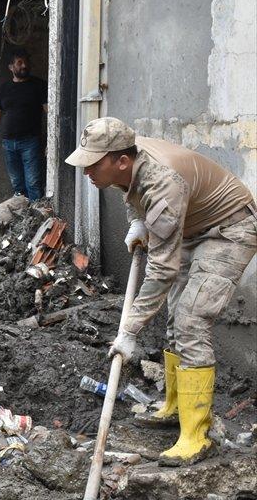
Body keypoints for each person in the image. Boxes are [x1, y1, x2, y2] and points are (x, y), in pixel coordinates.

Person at [66, 117, 257, 465]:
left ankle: (196, 435)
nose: (86, 172)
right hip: (190, 225)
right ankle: (173, 405)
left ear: (121, 161)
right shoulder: (124, 158)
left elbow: (162, 269)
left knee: (191, 318)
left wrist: (129, 330)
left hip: (230, 228)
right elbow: (133, 192)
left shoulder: (164, 181)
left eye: (92, 165)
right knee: (173, 312)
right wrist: (137, 221)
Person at [0, 49, 48, 201]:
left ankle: (37, 216)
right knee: (17, 184)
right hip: (8, 144)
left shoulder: (39, 85)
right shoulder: (4, 88)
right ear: (11, 67)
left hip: (31, 142)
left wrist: (51, 142)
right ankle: (23, 219)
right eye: (19, 62)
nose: (24, 65)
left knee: (33, 182)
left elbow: (50, 113)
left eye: (26, 62)